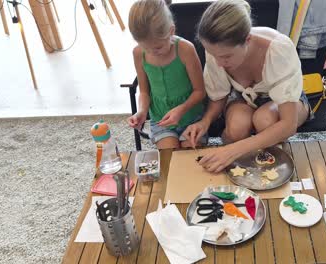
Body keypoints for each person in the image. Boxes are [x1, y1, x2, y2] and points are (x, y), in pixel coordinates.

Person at [182, 0, 311, 172]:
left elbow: (289, 124)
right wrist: (205, 122)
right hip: (243, 98)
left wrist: (233, 150)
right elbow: (218, 98)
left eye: (226, 56)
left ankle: (271, 165)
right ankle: (243, 170)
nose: (219, 63)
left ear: (247, 39)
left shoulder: (279, 49)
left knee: (265, 119)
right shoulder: (216, 48)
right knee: (236, 127)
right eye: (214, 55)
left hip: (286, 102)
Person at [126, 0, 206, 149]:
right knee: (169, 158)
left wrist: (181, 109)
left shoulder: (185, 49)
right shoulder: (138, 53)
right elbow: (144, 91)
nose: (151, 53)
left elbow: (200, 92)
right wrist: (142, 111)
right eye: (145, 47)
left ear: (171, 31)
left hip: (191, 117)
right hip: (160, 119)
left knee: (191, 156)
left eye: (157, 47)